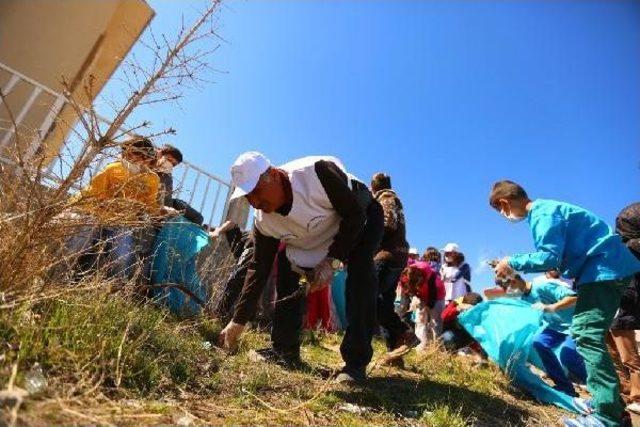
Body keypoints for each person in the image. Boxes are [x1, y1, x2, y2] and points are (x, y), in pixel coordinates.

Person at [218, 152, 384, 384]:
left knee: (360, 275)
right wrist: (238, 321)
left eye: (256, 191)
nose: (255, 202)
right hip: (312, 237)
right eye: (248, 196)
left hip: (358, 217)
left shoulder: (317, 173)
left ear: (273, 175)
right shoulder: (263, 222)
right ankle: (284, 349)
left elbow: (354, 216)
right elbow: (259, 268)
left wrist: (333, 262)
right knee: (286, 270)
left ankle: (355, 363)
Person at [490, 180, 640, 427]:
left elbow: (549, 257)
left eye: (501, 211)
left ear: (503, 203)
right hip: (602, 271)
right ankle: (611, 405)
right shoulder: (548, 210)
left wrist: (511, 261)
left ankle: (608, 416)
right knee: (587, 334)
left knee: (586, 335)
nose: (506, 216)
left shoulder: (542, 213)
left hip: (602, 270)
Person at [502, 273, 586, 397]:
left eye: (508, 286)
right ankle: (565, 387)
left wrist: (550, 307)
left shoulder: (543, 286)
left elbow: (573, 297)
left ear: (515, 281)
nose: (508, 291)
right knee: (539, 342)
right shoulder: (524, 299)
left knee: (568, 357)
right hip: (555, 327)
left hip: (575, 323)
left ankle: (599, 388)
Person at [370, 173, 414, 353]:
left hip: (385, 256)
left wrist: (368, 239)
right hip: (397, 256)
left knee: (369, 301)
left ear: (374, 187)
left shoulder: (386, 197)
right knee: (385, 303)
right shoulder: (395, 199)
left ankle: (404, 332)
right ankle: (395, 351)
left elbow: (387, 224)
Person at [609, 203, 640, 415]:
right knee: (613, 345)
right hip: (620, 294)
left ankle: (637, 396)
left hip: (626, 295)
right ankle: (628, 390)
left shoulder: (632, 244)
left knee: (628, 355)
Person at [398, 261, 446, 348]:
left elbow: (433, 293)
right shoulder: (404, 277)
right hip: (420, 295)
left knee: (435, 321)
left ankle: (436, 346)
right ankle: (420, 344)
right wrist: (411, 301)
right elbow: (405, 293)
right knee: (420, 319)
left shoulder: (428, 273)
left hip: (437, 295)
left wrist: (428, 306)